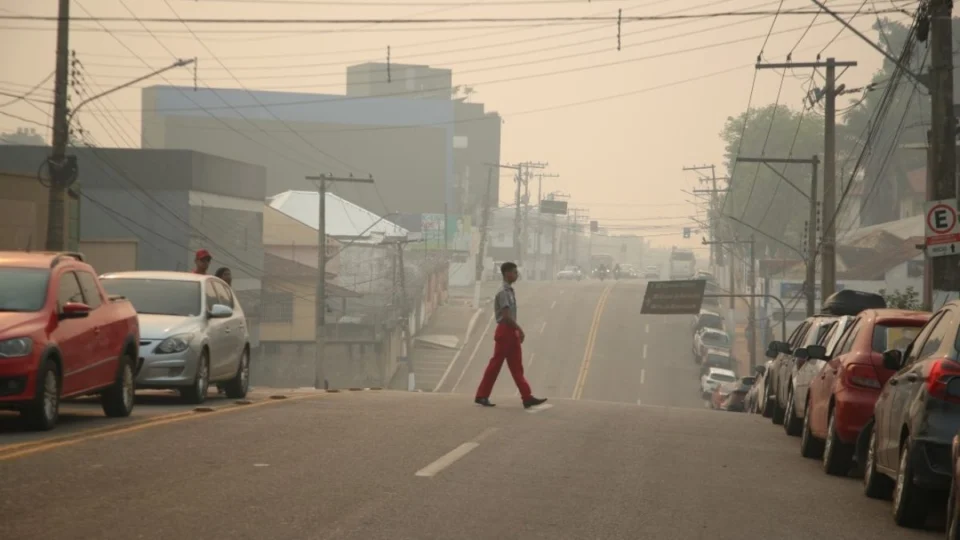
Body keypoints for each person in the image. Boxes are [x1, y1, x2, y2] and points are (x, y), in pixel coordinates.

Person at [475, 262, 547, 409]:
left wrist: (516, 331)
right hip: (505, 330)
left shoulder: (509, 291)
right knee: (495, 364)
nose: (516, 275)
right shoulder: (503, 292)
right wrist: (519, 329)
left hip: (510, 331)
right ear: (507, 273)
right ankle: (482, 395)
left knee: (516, 367)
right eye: (514, 272)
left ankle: (527, 397)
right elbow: (507, 316)